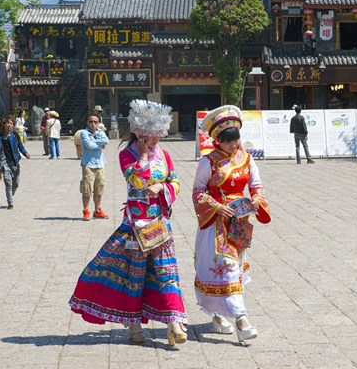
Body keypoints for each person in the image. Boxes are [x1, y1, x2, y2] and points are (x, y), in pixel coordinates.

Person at [69, 100, 187, 346]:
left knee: (167, 273)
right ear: (139, 133)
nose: (156, 141)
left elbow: (175, 182)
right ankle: (133, 324)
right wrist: (143, 156)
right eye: (151, 136)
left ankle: (174, 321)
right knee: (136, 275)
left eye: (158, 136)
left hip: (159, 224)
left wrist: (162, 187)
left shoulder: (165, 156)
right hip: (135, 226)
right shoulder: (127, 155)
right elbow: (135, 180)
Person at [192, 105, 271, 344]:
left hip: (239, 223)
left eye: (235, 139)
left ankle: (218, 315)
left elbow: (256, 185)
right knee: (224, 268)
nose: (232, 144)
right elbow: (198, 192)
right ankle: (241, 320)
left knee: (234, 269)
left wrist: (256, 200)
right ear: (217, 140)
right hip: (215, 224)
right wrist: (216, 206)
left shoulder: (246, 159)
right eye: (227, 141)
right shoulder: (208, 162)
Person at [0, 116, 30, 209]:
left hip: (15, 162)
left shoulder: (15, 135)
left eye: (11, 123)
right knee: (8, 183)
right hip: (4, 163)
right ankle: (10, 202)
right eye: (7, 123)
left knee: (16, 183)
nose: (9, 125)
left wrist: (25, 153)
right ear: (4, 125)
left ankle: (10, 195)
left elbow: (20, 146)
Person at [79, 114, 110, 220]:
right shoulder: (84, 133)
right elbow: (89, 145)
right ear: (87, 122)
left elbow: (106, 141)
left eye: (95, 122)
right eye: (91, 121)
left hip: (100, 163)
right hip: (88, 164)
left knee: (99, 188)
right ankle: (86, 210)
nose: (93, 124)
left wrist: (94, 142)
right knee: (87, 188)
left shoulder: (100, 132)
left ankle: (97, 211)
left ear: (98, 123)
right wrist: (99, 144)